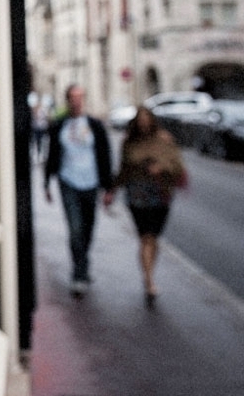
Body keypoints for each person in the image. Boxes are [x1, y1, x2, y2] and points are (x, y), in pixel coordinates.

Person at [103, 107, 186, 308]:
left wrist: (161, 167)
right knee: (145, 237)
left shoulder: (164, 139)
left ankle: (149, 273)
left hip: (160, 193)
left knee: (153, 237)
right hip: (137, 194)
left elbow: (177, 165)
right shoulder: (129, 141)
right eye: (139, 120)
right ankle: (149, 280)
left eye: (146, 119)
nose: (143, 123)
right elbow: (124, 169)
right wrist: (112, 189)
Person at [44, 84, 114, 297]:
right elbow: (52, 154)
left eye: (80, 97)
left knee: (88, 226)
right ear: (67, 100)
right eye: (73, 97)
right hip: (68, 181)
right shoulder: (59, 126)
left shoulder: (94, 125)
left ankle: (83, 261)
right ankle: (79, 273)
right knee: (75, 229)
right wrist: (46, 182)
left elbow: (104, 156)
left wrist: (108, 187)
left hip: (91, 182)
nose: (76, 101)